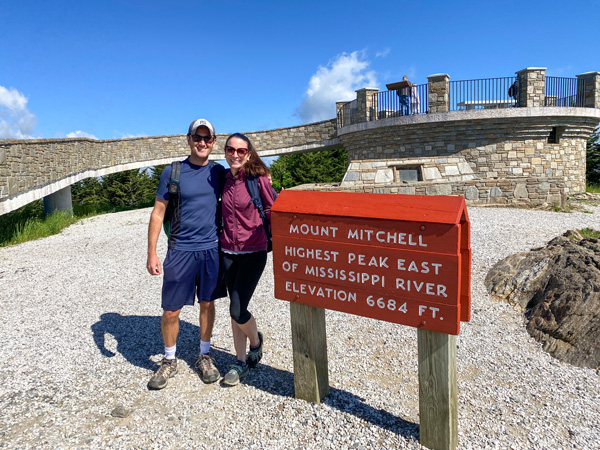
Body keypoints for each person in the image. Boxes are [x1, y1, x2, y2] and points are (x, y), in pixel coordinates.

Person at [146, 118, 226, 390]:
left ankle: (204, 355)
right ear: (189, 139)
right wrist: (151, 253)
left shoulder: (219, 172)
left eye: (207, 138)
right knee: (171, 311)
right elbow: (158, 213)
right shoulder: (173, 172)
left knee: (207, 304)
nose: (202, 142)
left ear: (213, 142)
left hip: (210, 249)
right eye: (197, 137)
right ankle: (169, 359)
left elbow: (244, 183)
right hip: (180, 249)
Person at [219, 133, 275, 386]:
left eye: (241, 151)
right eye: (231, 149)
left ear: (248, 153)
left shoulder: (258, 179)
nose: (235, 154)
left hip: (254, 251)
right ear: (225, 152)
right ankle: (239, 362)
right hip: (228, 251)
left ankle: (256, 343)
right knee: (235, 308)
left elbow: (272, 208)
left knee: (237, 309)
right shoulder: (223, 179)